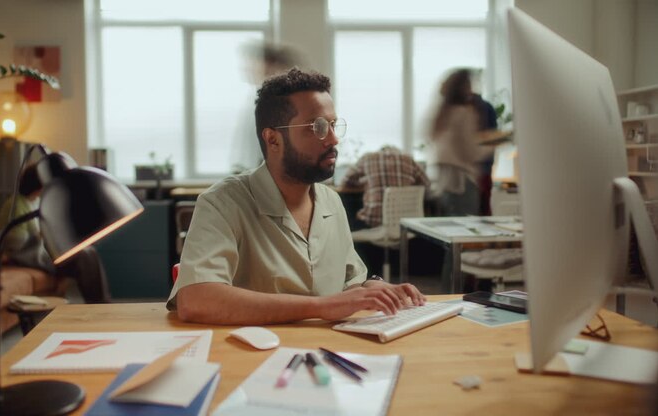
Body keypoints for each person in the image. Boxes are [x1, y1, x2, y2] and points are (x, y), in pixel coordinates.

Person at [167, 68, 426, 325]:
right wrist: (322, 307)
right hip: (254, 355)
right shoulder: (222, 203)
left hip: (331, 350)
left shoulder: (331, 201)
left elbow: (350, 281)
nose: (333, 139)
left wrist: (377, 290)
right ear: (273, 139)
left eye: (333, 125)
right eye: (318, 127)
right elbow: (196, 300)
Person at [0, 165, 111, 303]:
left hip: (44, 250)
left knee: (88, 250)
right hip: (27, 255)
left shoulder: (36, 201)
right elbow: (15, 244)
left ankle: (101, 302)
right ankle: (98, 304)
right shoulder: (15, 205)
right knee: (83, 256)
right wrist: (41, 234)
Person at [230, 43, 303, 173]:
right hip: (249, 174)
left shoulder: (283, 103)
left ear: (271, 67)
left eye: (254, 64)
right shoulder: (254, 98)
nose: (248, 69)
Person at [429, 69, 493, 216]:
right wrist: (493, 145)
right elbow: (470, 152)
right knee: (466, 231)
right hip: (462, 183)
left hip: (443, 182)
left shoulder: (443, 112)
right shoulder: (464, 113)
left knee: (448, 231)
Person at [340, 145, 429, 228]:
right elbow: (426, 184)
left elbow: (347, 180)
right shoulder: (409, 159)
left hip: (373, 222)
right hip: (406, 225)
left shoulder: (368, 158)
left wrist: (366, 182)